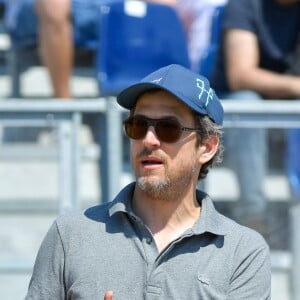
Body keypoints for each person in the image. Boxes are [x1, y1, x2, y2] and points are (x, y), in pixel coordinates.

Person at [25, 64, 271, 299]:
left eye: (168, 128)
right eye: (138, 126)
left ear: (206, 147)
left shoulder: (242, 251)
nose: (149, 140)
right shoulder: (70, 234)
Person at [210, 0, 300, 228]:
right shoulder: (244, 4)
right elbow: (240, 76)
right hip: (233, 102)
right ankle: (254, 218)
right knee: (249, 103)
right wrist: (295, 86)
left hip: (287, 100)